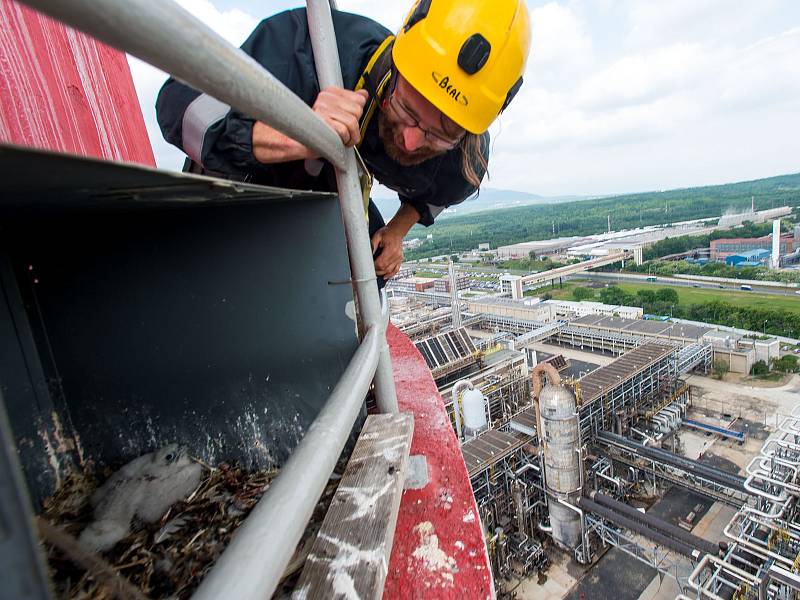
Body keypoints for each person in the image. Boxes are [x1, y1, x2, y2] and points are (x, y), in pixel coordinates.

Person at [157, 0, 530, 284]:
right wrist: (296, 130)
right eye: (407, 109)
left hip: (325, 197)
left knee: (370, 259)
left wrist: (397, 232)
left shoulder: (463, 160)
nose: (412, 141)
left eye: (438, 133)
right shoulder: (313, 51)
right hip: (234, 195)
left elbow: (437, 193)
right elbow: (179, 104)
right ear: (397, 66)